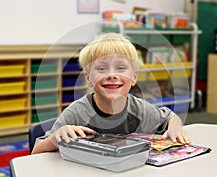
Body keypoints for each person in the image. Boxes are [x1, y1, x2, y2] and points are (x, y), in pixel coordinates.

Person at [31, 33, 191, 154]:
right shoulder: (77, 113)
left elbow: (170, 117)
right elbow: (35, 152)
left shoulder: (140, 110)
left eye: (121, 68)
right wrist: (54, 138)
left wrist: (175, 128)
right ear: (88, 78)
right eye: (101, 68)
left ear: (134, 77)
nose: (111, 75)